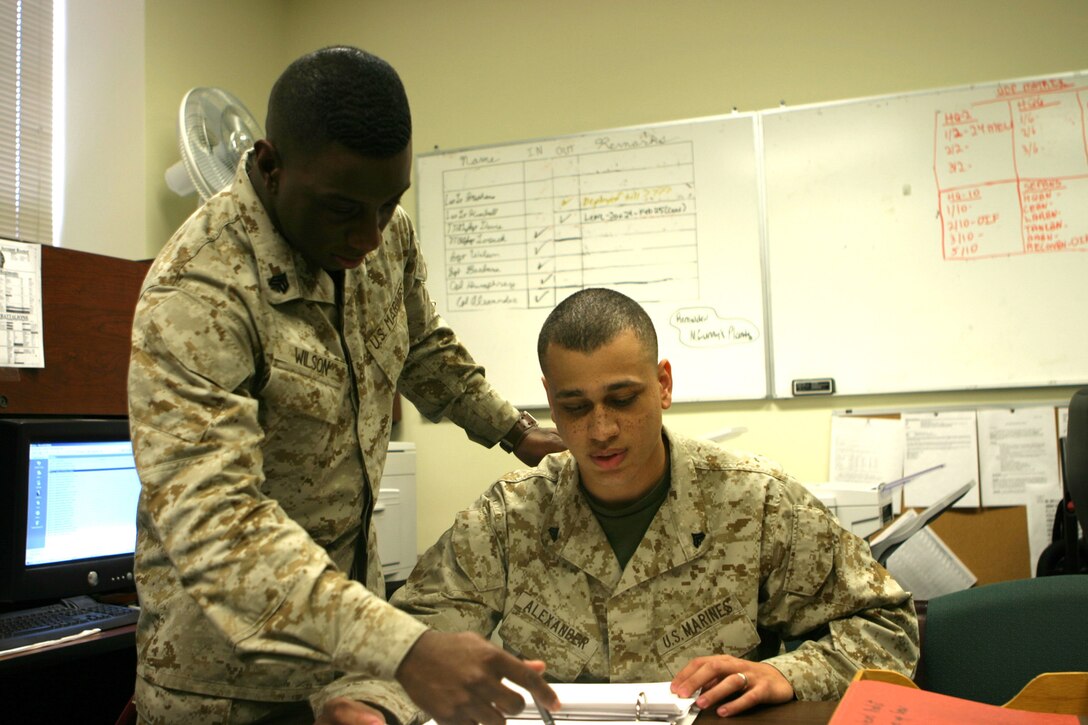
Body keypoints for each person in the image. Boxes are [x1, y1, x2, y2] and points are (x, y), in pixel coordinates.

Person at [127, 46, 563, 724]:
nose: (370, 234)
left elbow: (421, 346)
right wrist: (407, 646)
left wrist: (517, 432)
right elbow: (219, 525)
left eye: (390, 203)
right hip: (225, 684)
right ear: (270, 166)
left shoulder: (384, 234)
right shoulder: (197, 292)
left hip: (348, 660)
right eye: (344, 209)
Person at [325, 287, 920, 723]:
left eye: (622, 398)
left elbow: (889, 628)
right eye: (575, 407)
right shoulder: (509, 517)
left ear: (662, 383)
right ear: (551, 408)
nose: (601, 429)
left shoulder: (755, 502)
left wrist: (783, 673)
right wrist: (371, 707)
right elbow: (413, 641)